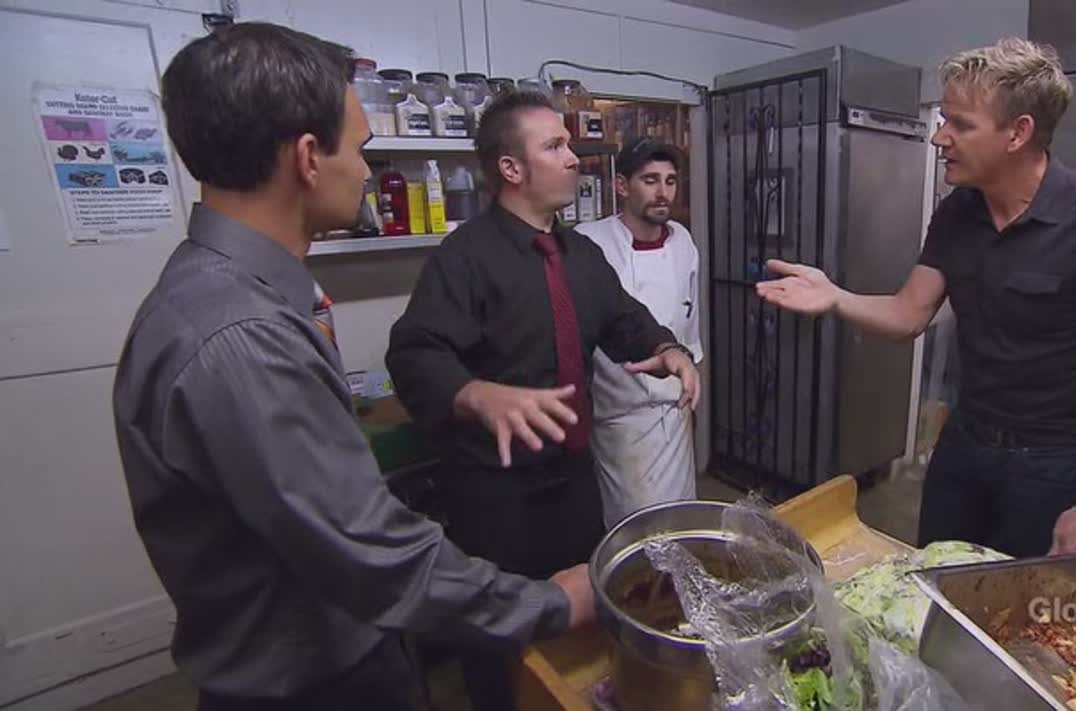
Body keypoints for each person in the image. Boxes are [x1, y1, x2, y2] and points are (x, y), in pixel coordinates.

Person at [112, 24, 593, 711]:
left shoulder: (238, 295)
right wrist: (551, 603)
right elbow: (370, 549)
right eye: (361, 149)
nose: (367, 172)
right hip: (313, 685)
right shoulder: (241, 335)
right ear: (309, 157)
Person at [757, 38, 1076, 558]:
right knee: (937, 577)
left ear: (1018, 132)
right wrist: (835, 296)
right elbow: (908, 312)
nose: (939, 137)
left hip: (1055, 465)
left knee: (1021, 601)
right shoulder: (958, 213)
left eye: (960, 124)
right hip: (966, 445)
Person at [385, 90, 700, 709]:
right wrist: (473, 393)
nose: (573, 157)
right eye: (555, 146)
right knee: (500, 641)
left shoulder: (580, 255)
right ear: (512, 168)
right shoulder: (465, 258)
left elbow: (624, 318)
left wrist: (668, 349)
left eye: (568, 144)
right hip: (498, 493)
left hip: (574, 481)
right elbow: (414, 354)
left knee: (582, 618)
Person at [576, 138, 703, 528]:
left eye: (670, 181)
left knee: (682, 521)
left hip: (675, 412)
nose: (663, 192)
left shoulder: (683, 241)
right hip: (619, 419)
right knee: (636, 529)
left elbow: (689, 324)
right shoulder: (589, 242)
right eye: (650, 180)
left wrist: (691, 380)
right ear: (621, 186)